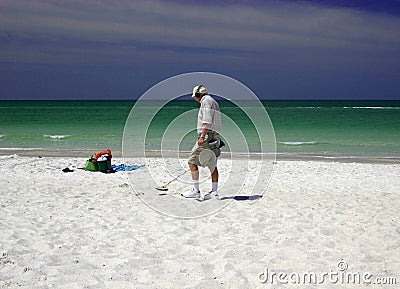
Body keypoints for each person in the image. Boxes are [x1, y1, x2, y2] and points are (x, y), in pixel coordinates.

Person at [181, 85, 222, 200]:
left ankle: (195, 190)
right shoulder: (213, 101)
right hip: (215, 136)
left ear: (199, 95)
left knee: (191, 161)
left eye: (195, 97)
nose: (195, 99)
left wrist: (202, 136)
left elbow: (207, 122)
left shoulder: (206, 102)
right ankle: (214, 192)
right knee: (212, 164)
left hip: (207, 136)